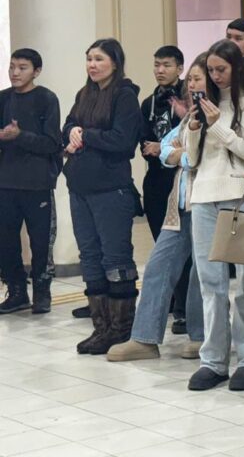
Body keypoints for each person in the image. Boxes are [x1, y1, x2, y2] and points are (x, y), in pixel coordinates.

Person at [106, 54, 208, 362]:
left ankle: (201, 335)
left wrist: (181, 155)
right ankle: (145, 338)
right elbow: (164, 149)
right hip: (179, 201)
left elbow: (197, 156)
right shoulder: (189, 112)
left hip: (209, 201)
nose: (192, 84)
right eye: (191, 79)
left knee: (202, 274)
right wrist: (178, 153)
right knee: (157, 267)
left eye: (198, 78)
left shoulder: (227, 112)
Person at [184, 39, 244, 392]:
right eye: (211, 70)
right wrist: (193, 130)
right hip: (204, 196)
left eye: (222, 69)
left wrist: (219, 125)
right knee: (211, 284)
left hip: (243, 195)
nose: (215, 76)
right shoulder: (205, 103)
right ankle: (214, 360)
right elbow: (193, 159)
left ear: (237, 68)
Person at [63, 38, 143, 355]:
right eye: (89, 59)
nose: (92, 65)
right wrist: (71, 131)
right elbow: (69, 124)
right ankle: (101, 328)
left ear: (114, 62)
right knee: (90, 257)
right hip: (80, 187)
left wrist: (86, 135)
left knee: (115, 258)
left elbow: (123, 141)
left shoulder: (125, 95)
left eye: (98, 59)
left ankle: (122, 329)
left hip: (112, 189)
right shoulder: (85, 94)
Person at [0, 48, 61, 315]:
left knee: (40, 241)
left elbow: (52, 143)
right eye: (12, 66)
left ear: (36, 71)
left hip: (37, 183)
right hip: (6, 182)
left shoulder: (46, 99)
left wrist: (20, 135)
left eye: (22, 67)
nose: (15, 72)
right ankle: (16, 291)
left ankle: (42, 291)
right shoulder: (2, 99)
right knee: (6, 240)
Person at [139, 45, 188, 334]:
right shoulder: (149, 102)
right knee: (161, 242)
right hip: (156, 178)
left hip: (180, 177)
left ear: (179, 68)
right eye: (156, 64)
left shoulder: (188, 98)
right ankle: (169, 300)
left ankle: (184, 307)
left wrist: (165, 148)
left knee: (183, 246)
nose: (160, 70)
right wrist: (154, 149)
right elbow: (144, 141)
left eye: (167, 65)